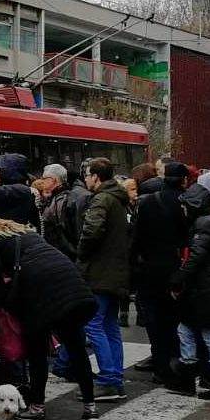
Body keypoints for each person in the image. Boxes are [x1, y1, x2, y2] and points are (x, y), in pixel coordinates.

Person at [0, 217, 99, 420]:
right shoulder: (31, 236)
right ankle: (90, 407)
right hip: (74, 289)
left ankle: (37, 407)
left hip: (39, 299)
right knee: (77, 349)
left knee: (37, 354)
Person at [168, 183, 210, 399]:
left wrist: (177, 280)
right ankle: (189, 372)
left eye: (185, 206)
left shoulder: (205, 225)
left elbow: (195, 257)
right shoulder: (209, 222)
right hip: (204, 288)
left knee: (208, 334)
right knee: (187, 329)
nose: (182, 210)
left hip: (207, 290)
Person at [78, 157, 131, 401]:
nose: (86, 180)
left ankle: (108, 379)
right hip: (116, 271)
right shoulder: (119, 199)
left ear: (96, 177)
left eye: (88, 176)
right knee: (109, 326)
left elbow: (91, 232)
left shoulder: (101, 199)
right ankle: (115, 377)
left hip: (100, 272)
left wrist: (82, 255)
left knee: (93, 324)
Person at [131, 161, 189, 384]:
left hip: (150, 268)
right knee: (173, 318)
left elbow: (137, 238)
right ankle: (175, 362)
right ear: (183, 180)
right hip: (175, 267)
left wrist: (134, 267)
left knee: (154, 319)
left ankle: (159, 362)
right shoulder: (185, 203)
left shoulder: (148, 202)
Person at [39, 164, 79, 260]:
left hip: (61, 254)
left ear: (53, 180)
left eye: (44, 178)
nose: (41, 181)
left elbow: (63, 231)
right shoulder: (60, 198)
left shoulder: (61, 200)